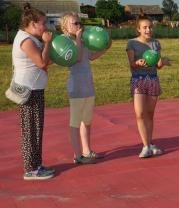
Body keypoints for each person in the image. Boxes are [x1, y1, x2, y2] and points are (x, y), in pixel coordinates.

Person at [60, 12, 111, 164]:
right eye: (74, 24)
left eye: (79, 23)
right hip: (76, 87)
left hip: (88, 85)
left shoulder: (81, 39)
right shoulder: (65, 41)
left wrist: (106, 47)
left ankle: (87, 151)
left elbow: (91, 56)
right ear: (65, 27)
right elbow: (78, 57)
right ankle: (77, 156)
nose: (79, 26)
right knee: (75, 122)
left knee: (87, 121)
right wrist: (77, 39)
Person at [12, 3, 55, 180]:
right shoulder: (26, 40)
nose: (46, 26)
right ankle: (30, 169)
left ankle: (36, 165)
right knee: (30, 130)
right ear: (33, 24)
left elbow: (46, 60)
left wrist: (46, 47)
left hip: (34, 88)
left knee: (36, 128)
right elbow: (42, 63)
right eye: (43, 23)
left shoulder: (30, 37)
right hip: (27, 90)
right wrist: (46, 43)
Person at [126, 13, 170, 158]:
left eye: (150, 27)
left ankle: (149, 143)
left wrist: (163, 62)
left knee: (150, 114)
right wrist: (137, 62)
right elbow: (131, 64)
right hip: (138, 80)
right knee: (139, 114)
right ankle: (145, 147)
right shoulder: (131, 43)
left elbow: (158, 66)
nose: (148, 30)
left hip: (152, 80)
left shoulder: (156, 43)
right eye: (145, 27)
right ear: (138, 29)